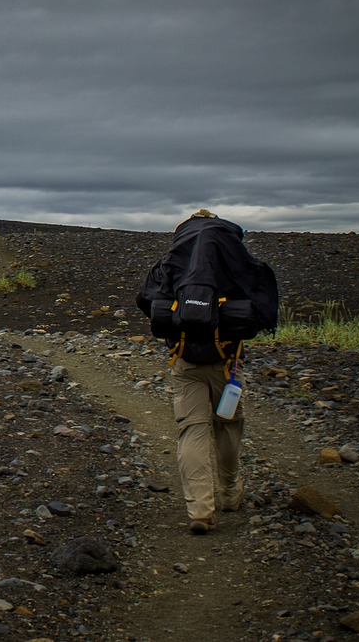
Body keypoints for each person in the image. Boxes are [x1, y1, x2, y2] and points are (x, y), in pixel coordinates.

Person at [136, 209, 278, 534]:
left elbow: (147, 299)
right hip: (226, 364)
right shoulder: (236, 256)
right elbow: (261, 303)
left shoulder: (173, 259)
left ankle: (200, 509)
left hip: (184, 363)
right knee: (228, 426)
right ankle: (230, 493)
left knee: (192, 430)